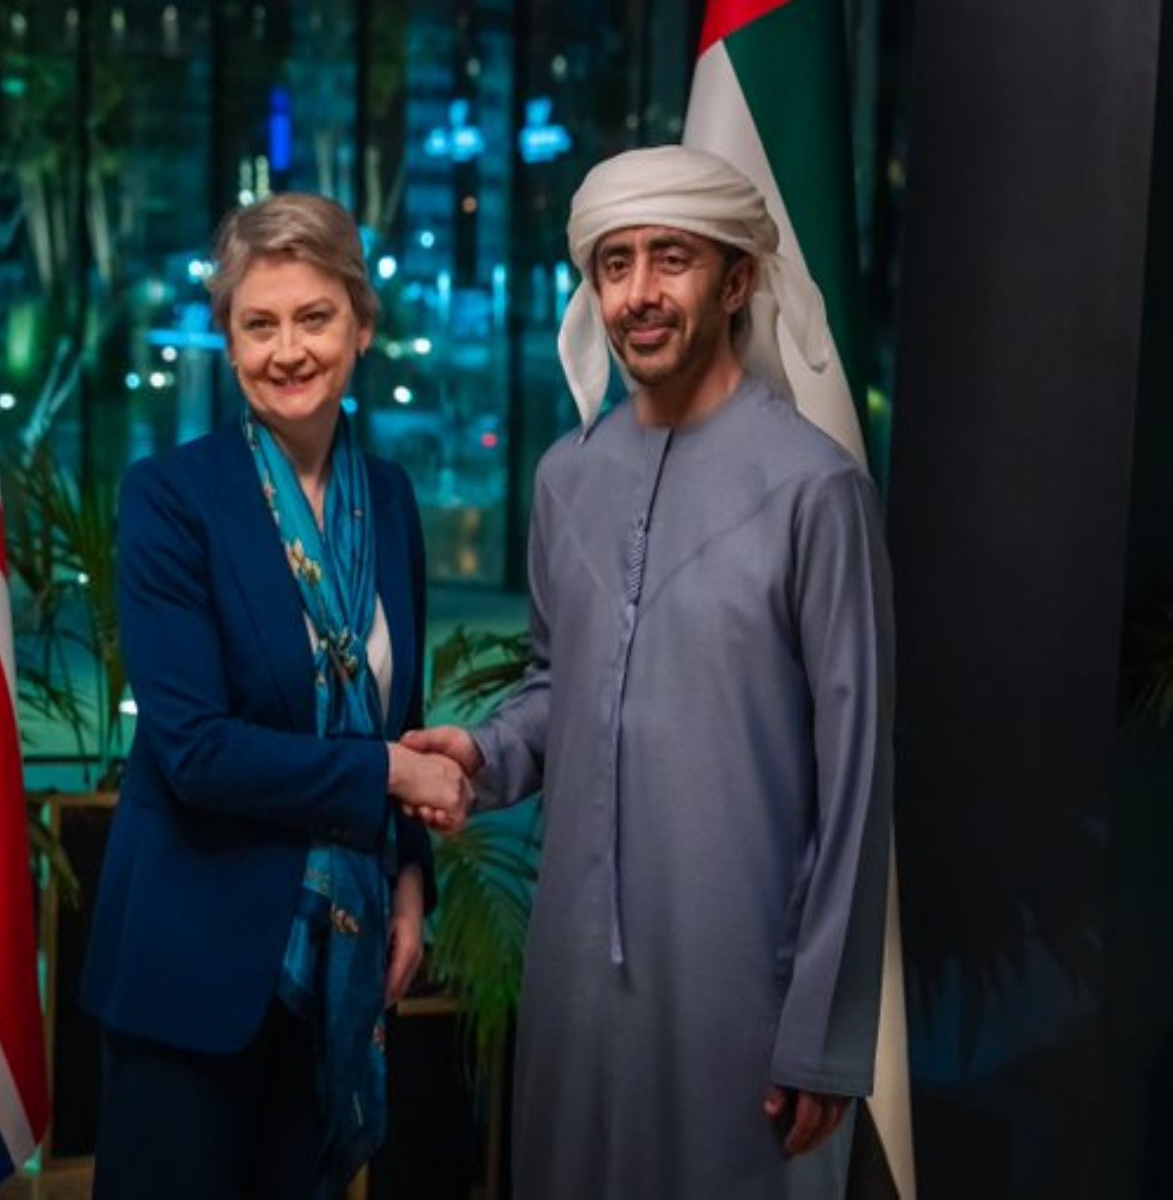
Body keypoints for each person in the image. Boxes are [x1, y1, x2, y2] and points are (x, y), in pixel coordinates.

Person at [403, 146, 895, 1199]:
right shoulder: (565, 476)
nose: (637, 294)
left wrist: (819, 1034)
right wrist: (484, 755)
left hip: (740, 994)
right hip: (575, 985)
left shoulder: (816, 491)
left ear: (736, 280)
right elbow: (556, 687)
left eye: (668, 259)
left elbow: (856, 781)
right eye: (613, 265)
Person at [79, 192, 471, 1199]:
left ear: (362, 328)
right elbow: (198, 751)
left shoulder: (387, 500)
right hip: (190, 971)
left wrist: (409, 881)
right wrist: (387, 772)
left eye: (313, 318)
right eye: (259, 324)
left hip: (335, 965)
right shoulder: (169, 497)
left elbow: (400, 707)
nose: (287, 350)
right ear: (226, 339)